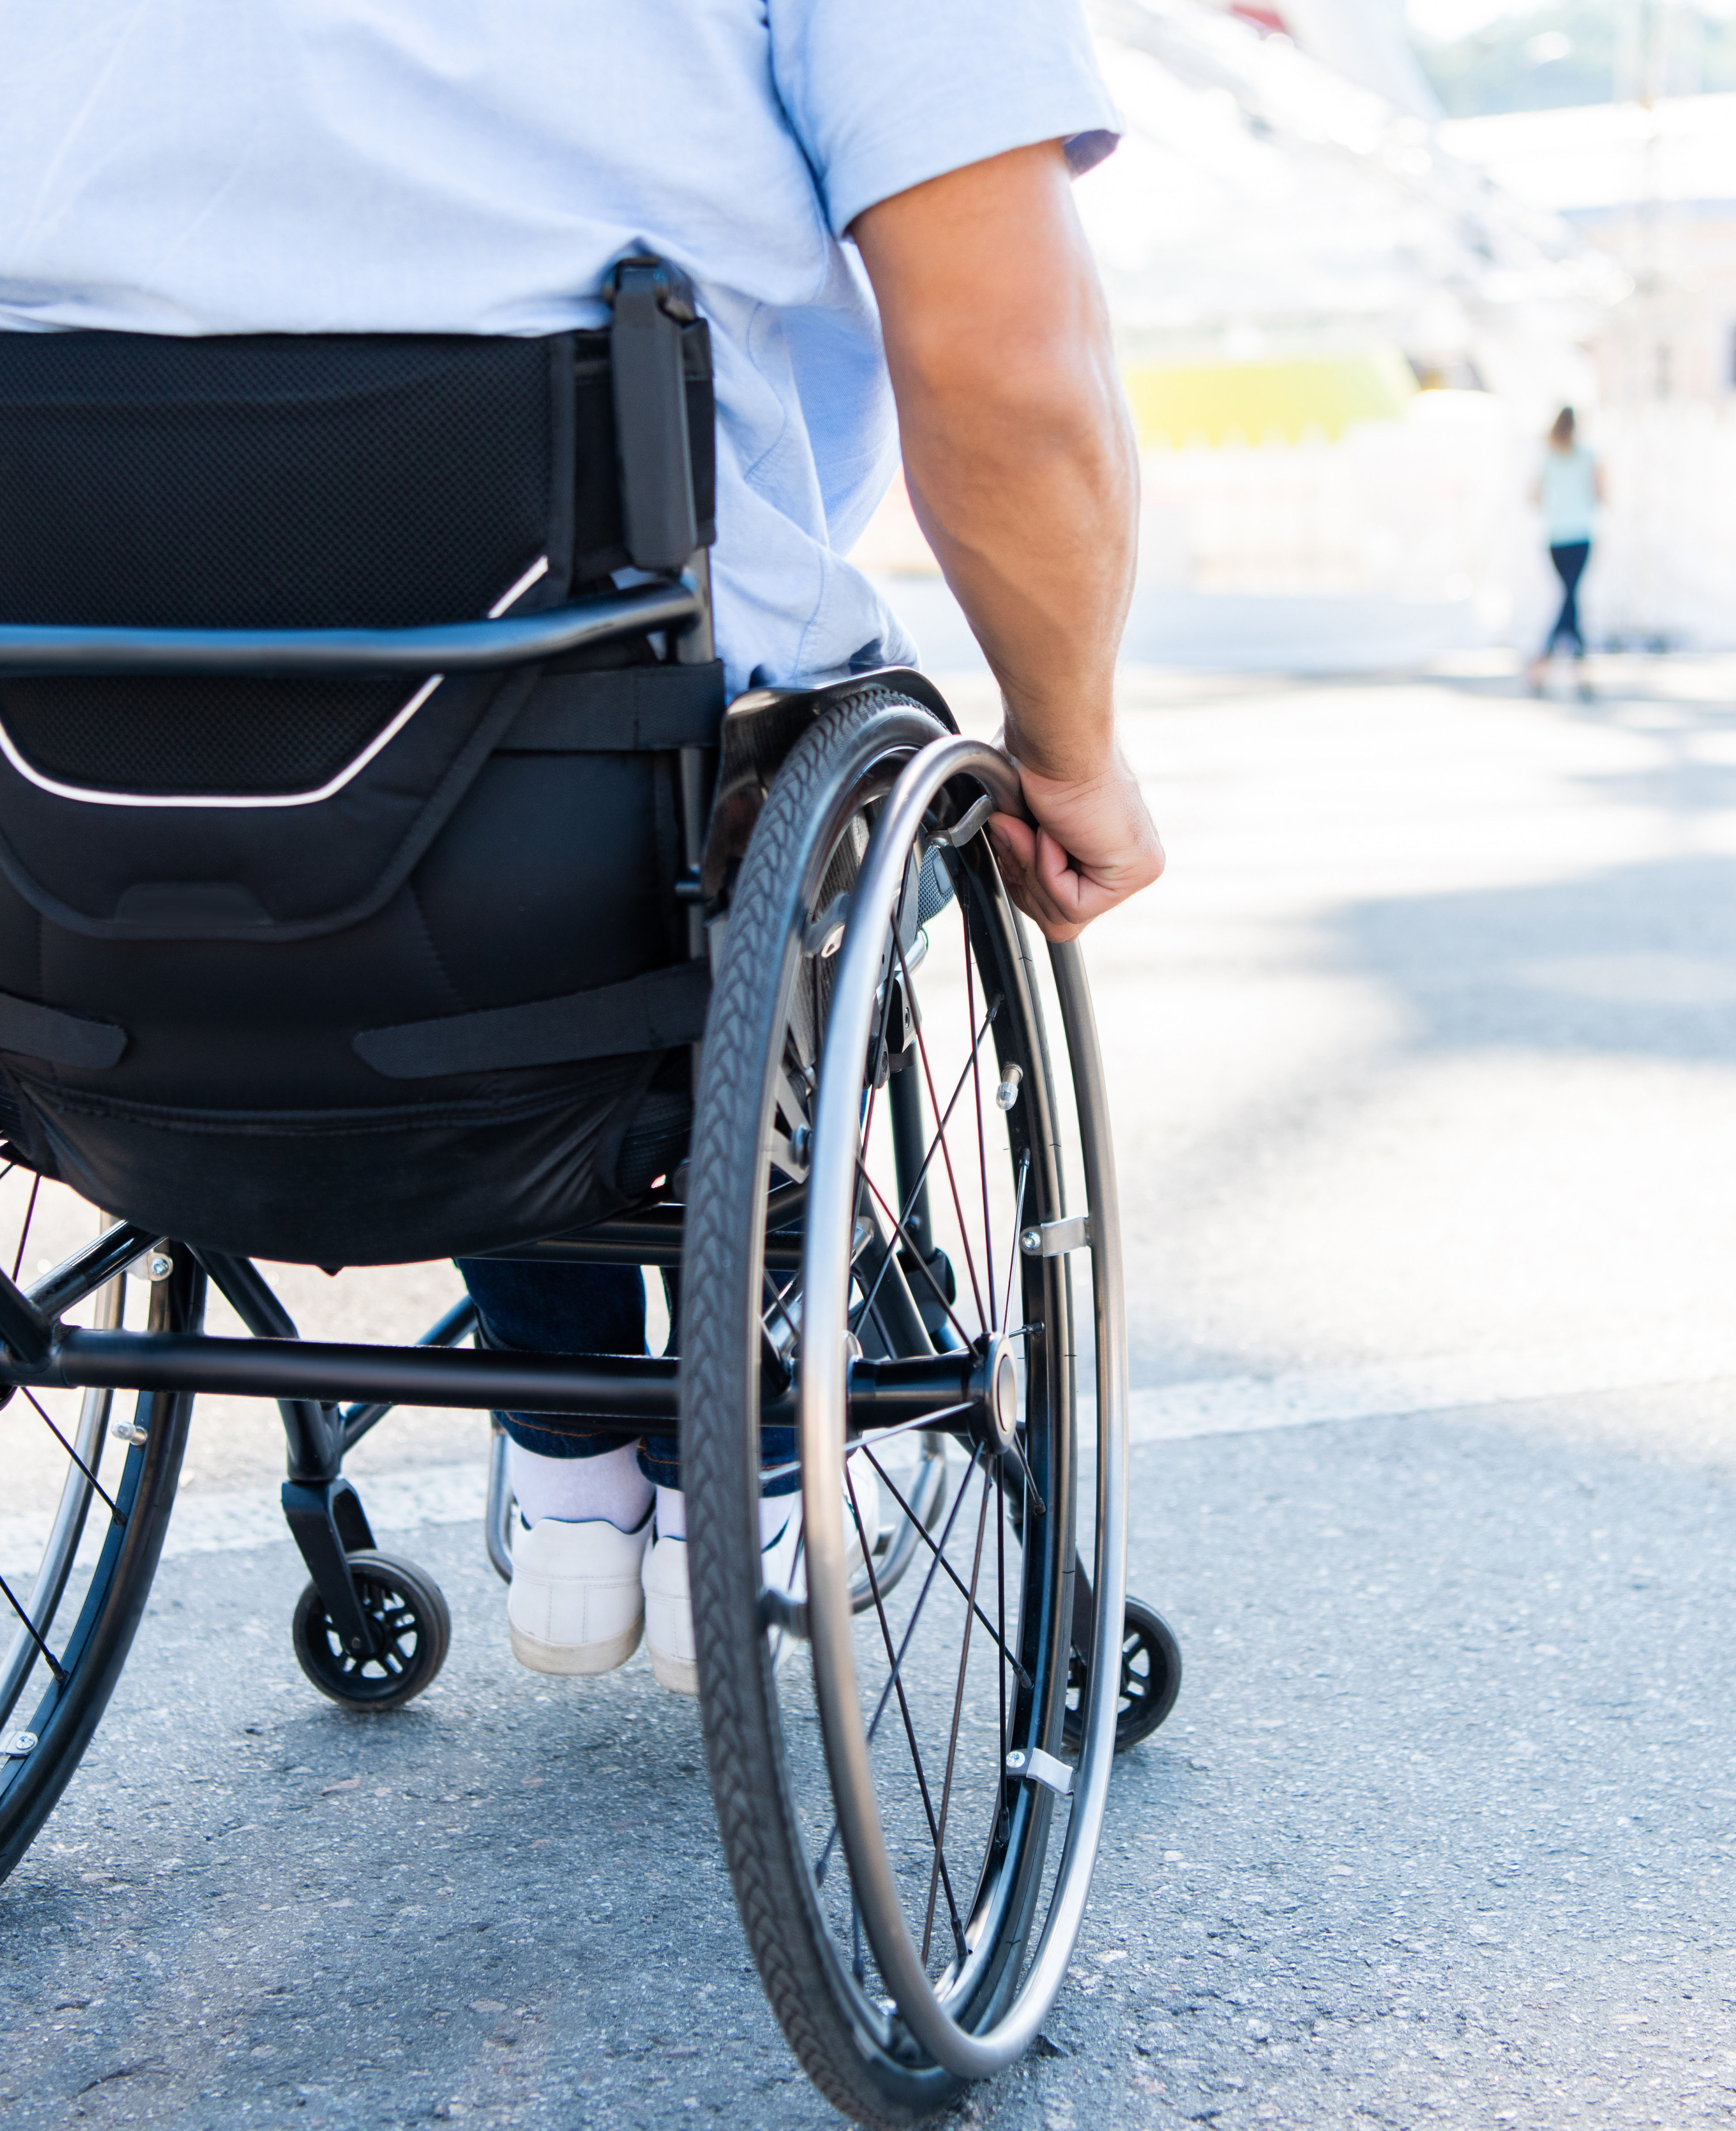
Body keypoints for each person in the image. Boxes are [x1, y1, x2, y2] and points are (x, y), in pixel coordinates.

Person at [1, 0, 1163, 1692]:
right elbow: (1006, 366)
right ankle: (750, 1414)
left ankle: (563, 1435)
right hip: (604, 830)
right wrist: (1072, 746)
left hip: (75, 862)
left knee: (486, 811)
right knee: (703, 837)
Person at [1528, 407, 1604, 698]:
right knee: (1570, 600)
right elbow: (1601, 494)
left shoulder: (1548, 457)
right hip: (1581, 534)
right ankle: (1565, 667)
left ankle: (1552, 668)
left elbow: (1534, 496)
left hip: (1555, 536)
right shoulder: (1588, 456)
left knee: (1569, 600)